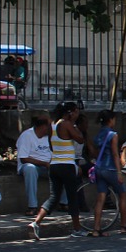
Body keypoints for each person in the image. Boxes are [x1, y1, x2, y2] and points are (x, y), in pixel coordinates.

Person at [29, 101, 88, 239]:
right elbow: (80, 140)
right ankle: (77, 228)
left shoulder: (52, 125)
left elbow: (51, 145)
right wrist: (77, 128)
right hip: (66, 165)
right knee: (72, 197)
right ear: (70, 112)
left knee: (53, 197)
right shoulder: (66, 124)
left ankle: (36, 222)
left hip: (54, 165)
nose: (77, 115)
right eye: (76, 112)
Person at [90, 110, 126, 235]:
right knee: (122, 195)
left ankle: (96, 228)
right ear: (111, 120)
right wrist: (119, 172)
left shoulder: (99, 134)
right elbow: (114, 154)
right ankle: (124, 226)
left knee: (101, 197)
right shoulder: (113, 134)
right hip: (110, 168)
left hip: (99, 168)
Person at [16, 113, 53, 216]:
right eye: (49, 125)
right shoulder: (27, 135)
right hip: (33, 166)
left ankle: (64, 203)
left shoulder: (50, 137)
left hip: (48, 165)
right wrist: (45, 163)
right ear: (43, 126)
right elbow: (24, 158)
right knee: (30, 169)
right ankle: (32, 206)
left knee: (65, 169)